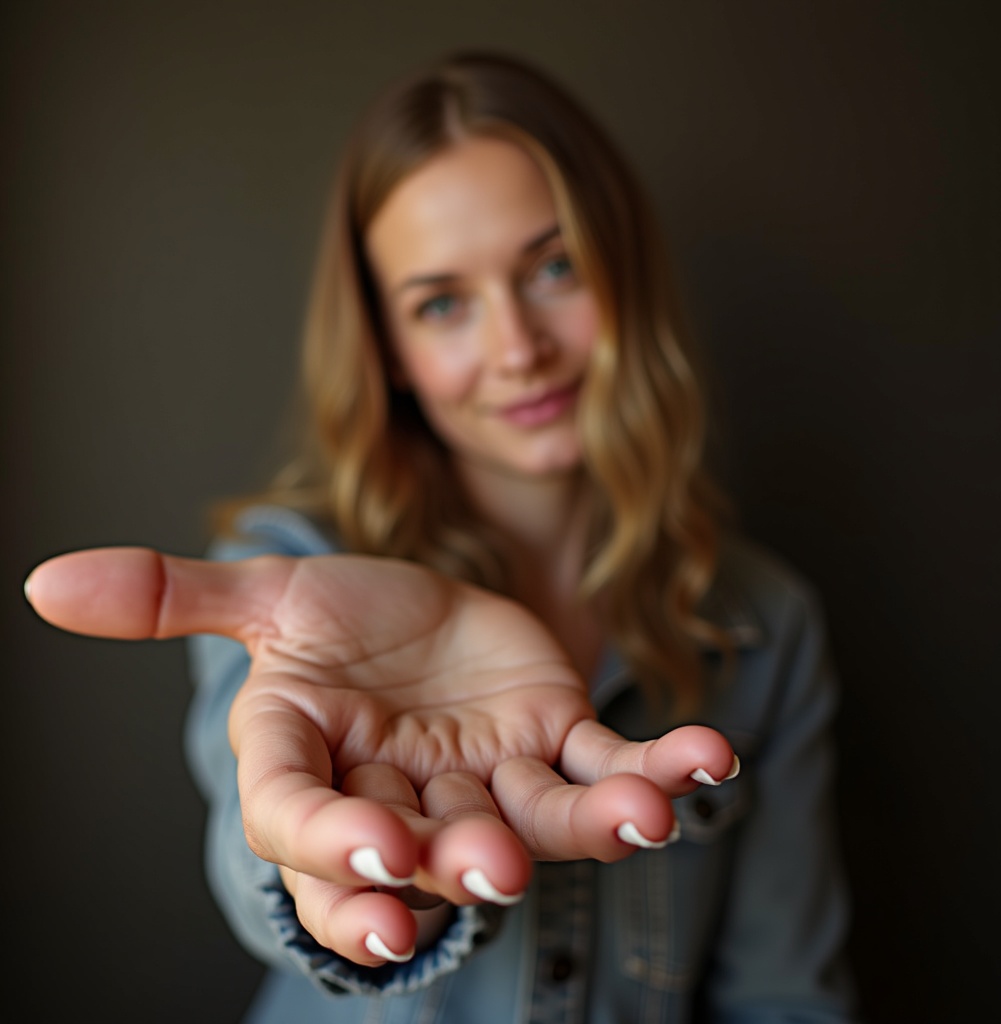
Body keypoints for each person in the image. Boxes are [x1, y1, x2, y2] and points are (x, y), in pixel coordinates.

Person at [25, 51, 859, 1023]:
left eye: (554, 267)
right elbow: (254, 837)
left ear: (624, 271)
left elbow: (781, 997)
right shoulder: (294, 576)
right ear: (390, 351)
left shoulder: (764, 624)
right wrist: (360, 880)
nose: (516, 347)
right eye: (443, 303)